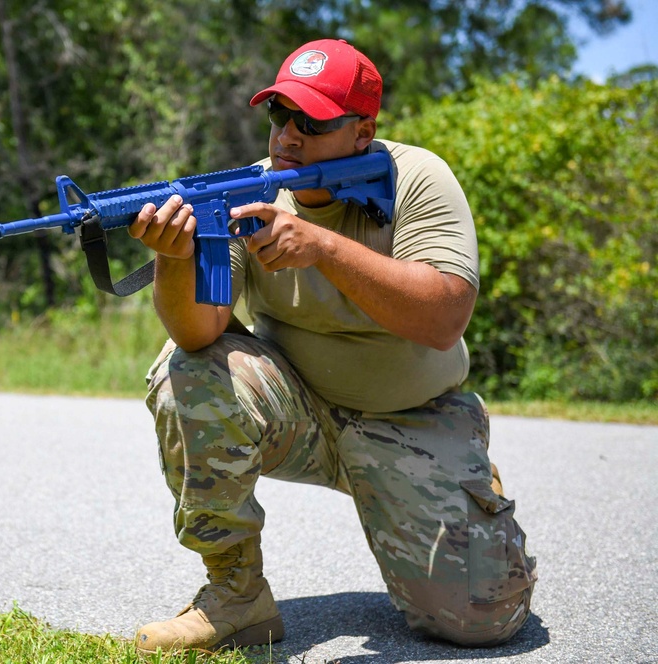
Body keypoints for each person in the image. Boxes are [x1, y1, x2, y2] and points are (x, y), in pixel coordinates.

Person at [127, 38, 537, 653]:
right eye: (278, 116)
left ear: (362, 131)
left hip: (413, 421)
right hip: (300, 413)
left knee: (483, 624)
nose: (287, 137)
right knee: (184, 367)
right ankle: (237, 597)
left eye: (311, 122)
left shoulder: (418, 179)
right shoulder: (248, 191)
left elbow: (445, 317)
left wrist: (324, 248)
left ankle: (464, 481)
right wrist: (174, 258)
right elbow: (198, 332)